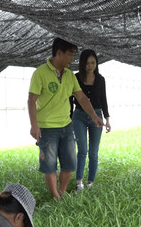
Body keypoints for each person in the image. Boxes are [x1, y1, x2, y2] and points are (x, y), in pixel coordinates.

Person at [28, 38, 104, 199]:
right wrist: (34, 125)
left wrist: (95, 116)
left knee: (70, 165)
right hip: (47, 128)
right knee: (49, 166)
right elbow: (31, 100)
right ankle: (56, 197)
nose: (72, 59)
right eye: (70, 55)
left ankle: (61, 192)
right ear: (59, 53)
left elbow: (82, 98)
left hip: (67, 126)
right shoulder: (40, 73)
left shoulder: (70, 75)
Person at [71, 49, 111, 191]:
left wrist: (107, 119)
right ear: (82, 64)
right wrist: (69, 118)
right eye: (87, 63)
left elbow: (104, 100)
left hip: (97, 117)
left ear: (96, 63)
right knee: (82, 150)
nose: (90, 66)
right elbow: (71, 99)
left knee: (94, 152)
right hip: (79, 116)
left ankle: (91, 182)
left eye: (93, 62)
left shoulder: (100, 79)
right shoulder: (75, 78)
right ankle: (79, 183)